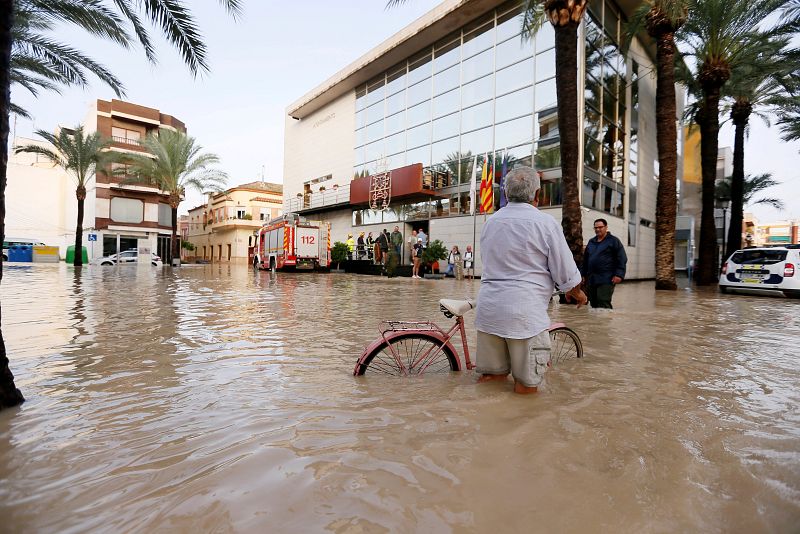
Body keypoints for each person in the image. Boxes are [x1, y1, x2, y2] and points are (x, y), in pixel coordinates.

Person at [475, 166, 587, 395]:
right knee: (526, 387)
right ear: (537, 195)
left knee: (492, 379)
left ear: (506, 193)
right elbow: (566, 272)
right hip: (524, 316)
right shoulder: (545, 223)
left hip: (489, 311)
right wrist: (577, 293)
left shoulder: (490, 223)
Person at [580, 218, 627, 309]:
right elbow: (585, 260)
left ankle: (606, 318)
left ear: (606, 227)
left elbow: (622, 258)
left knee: (603, 301)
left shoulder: (613, 241)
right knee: (593, 303)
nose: (598, 229)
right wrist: (583, 274)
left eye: (600, 227)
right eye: (596, 228)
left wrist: (619, 275)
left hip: (607, 278)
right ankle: (596, 319)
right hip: (592, 278)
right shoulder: (591, 242)